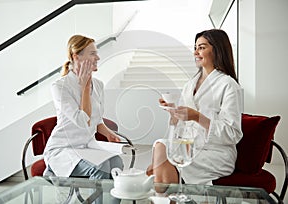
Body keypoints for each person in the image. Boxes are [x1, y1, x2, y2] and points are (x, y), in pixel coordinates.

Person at [147, 29, 243, 185]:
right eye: (195, 48)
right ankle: (168, 199)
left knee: (162, 154)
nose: (196, 52)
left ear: (217, 49)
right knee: (161, 145)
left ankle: (165, 200)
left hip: (216, 153)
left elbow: (233, 134)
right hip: (190, 146)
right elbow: (183, 127)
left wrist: (197, 117)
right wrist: (174, 113)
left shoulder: (229, 85)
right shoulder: (190, 84)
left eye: (202, 47)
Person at [43, 34, 124, 179]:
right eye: (93, 54)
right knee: (101, 170)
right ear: (76, 57)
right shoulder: (60, 87)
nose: (97, 58)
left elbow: (96, 120)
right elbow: (83, 120)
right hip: (64, 149)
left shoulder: (98, 85)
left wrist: (109, 134)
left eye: (96, 53)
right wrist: (85, 87)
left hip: (87, 146)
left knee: (117, 163)